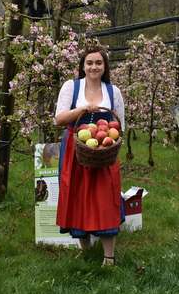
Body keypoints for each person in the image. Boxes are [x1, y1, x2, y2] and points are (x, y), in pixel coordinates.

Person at [54, 45, 126, 267]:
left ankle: (108, 257)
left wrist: (109, 144)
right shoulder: (71, 87)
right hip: (76, 149)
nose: (94, 67)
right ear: (83, 66)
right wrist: (82, 111)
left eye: (98, 63)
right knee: (77, 196)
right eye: (90, 63)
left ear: (105, 66)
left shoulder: (113, 91)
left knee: (106, 199)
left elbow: (121, 124)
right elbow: (59, 118)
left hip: (104, 151)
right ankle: (85, 249)